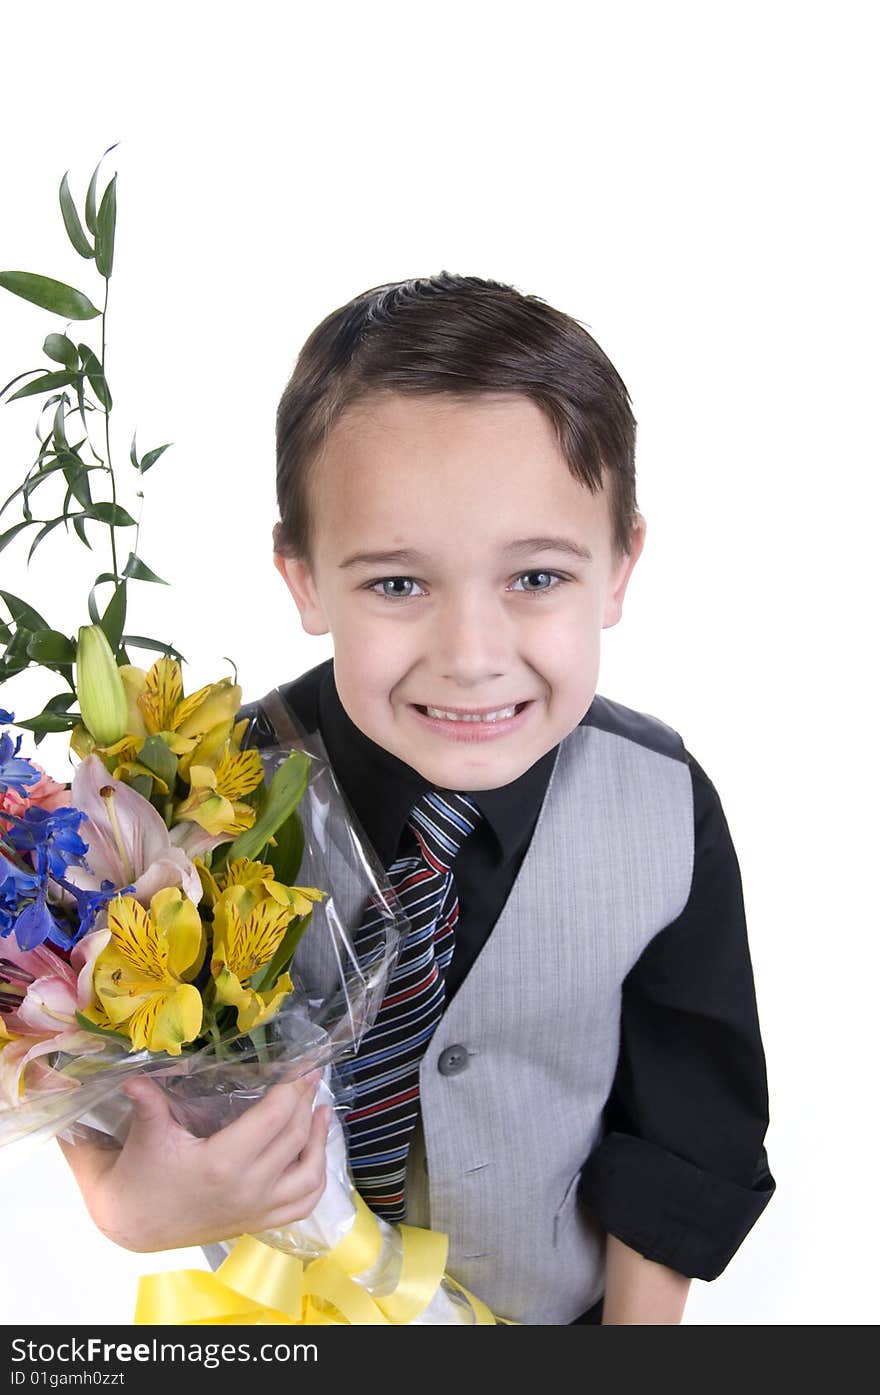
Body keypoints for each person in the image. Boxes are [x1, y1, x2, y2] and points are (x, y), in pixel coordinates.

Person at [59, 272, 775, 1325]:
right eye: (398, 584)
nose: (472, 657)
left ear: (619, 567)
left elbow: (682, 1125)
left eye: (535, 578)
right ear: (304, 578)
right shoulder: (200, 792)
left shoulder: (660, 809)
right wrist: (119, 1204)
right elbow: (83, 1048)